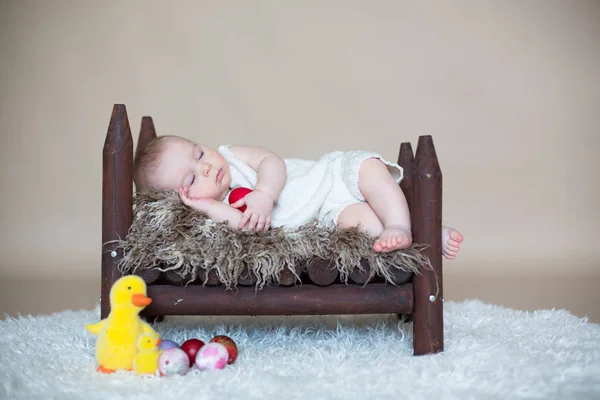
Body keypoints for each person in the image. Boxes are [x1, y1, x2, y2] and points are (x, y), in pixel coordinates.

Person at [133, 135, 463, 258]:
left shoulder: (231, 155)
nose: (206, 167)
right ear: (182, 197)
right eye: (192, 177)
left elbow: (271, 160)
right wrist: (204, 205)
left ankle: (401, 224)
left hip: (330, 174)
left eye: (199, 153)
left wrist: (263, 193)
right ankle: (428, 234)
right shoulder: (217, 209)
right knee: (366, 227)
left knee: (371, 172)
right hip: (326, 215)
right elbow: (247, 227)